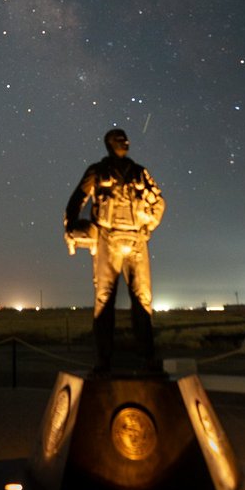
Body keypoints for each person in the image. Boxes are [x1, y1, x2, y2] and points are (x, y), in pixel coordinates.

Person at [64, 128, 165, 373]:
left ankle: (147, 357)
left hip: (136, 243)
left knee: (143, 300)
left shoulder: (140, 173)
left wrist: (148, 225)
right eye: (120, 139)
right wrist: (71, 226)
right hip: (107, 241)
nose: (126, 142)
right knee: (104, 299)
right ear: (109, 144)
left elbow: (158, 202)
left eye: (126, 139)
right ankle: (103, 359)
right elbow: (77, 198)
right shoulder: (97, 171)